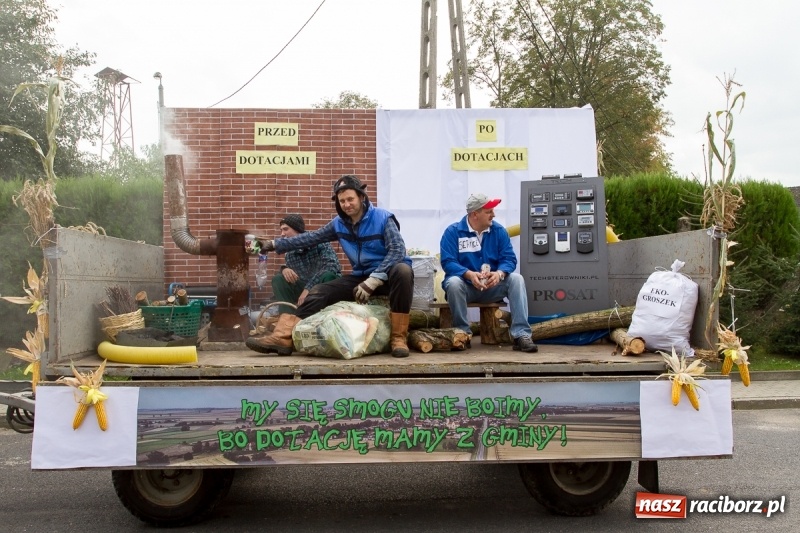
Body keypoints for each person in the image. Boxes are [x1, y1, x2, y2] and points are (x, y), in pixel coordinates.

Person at [246, 175, 414, 358]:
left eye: (350, 199)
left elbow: (398, 250)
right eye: (342, 201)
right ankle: (283, 337)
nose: (347, 204)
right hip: (361, 277)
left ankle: (399, 339)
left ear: (362, 197)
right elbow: (310, 237)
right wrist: (272, 244)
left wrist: (375, 278)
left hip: (388, 277)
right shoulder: (338, 224)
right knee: (319, 290)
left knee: (403, 270)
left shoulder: (383, 218)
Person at [439, 193, 538, 353]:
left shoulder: (498, 231)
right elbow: (448, 262)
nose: (494, 215)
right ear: (474, 214)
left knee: (517, 279)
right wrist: (468, 274)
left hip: (493, 287)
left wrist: (499, 273)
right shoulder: (452, 232)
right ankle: (463, 333)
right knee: (454, 283)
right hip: (466, 287)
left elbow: (509, 259)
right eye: (489, 211)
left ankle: (521, 335)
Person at [271, 213, 342, 313]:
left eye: (286, 229)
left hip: (323, 287)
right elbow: (293, 276)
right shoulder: (289, 253)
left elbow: (331, 267)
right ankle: (288, 318)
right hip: (303, 288)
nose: (282, 234)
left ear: (297, 229)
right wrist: (284, 269)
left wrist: (308, 289)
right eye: (281, 230)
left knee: (328, 276)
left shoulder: (320, 242)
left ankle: (329, 315)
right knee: (278, 279)